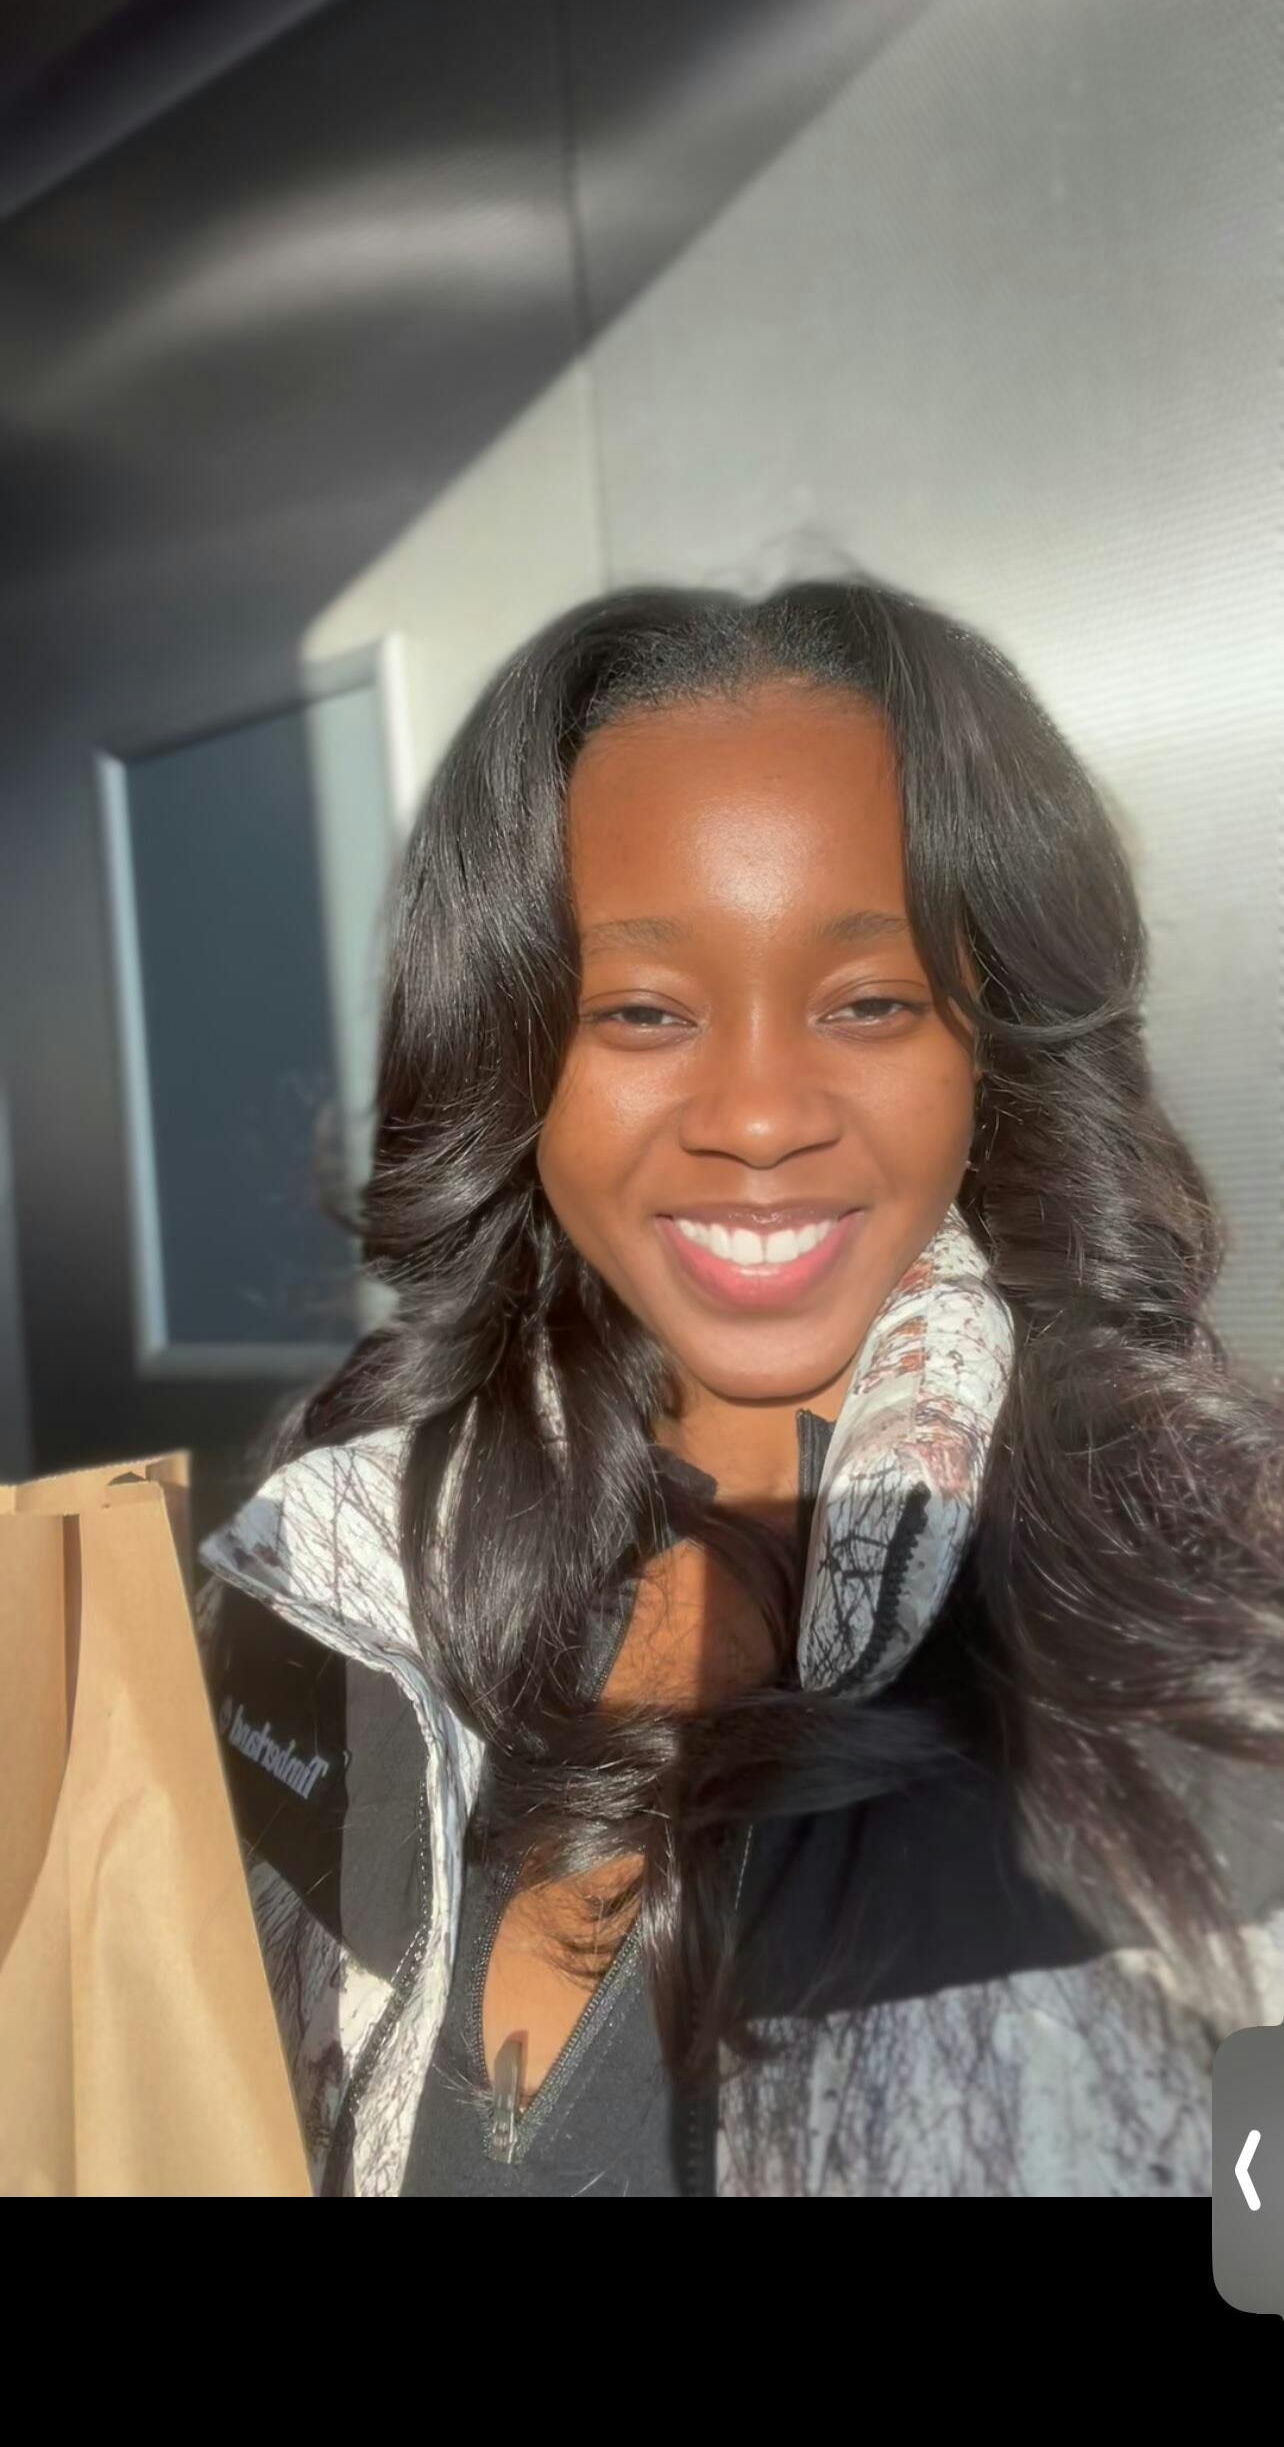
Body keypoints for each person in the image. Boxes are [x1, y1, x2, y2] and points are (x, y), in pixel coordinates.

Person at [195, 574, 1284, 2197]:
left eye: (871, 1002)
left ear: (990, 1048)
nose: (761, 1114)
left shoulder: (1205, 1614)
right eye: (642, 1009)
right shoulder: (332, 1565)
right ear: (513, 1051)